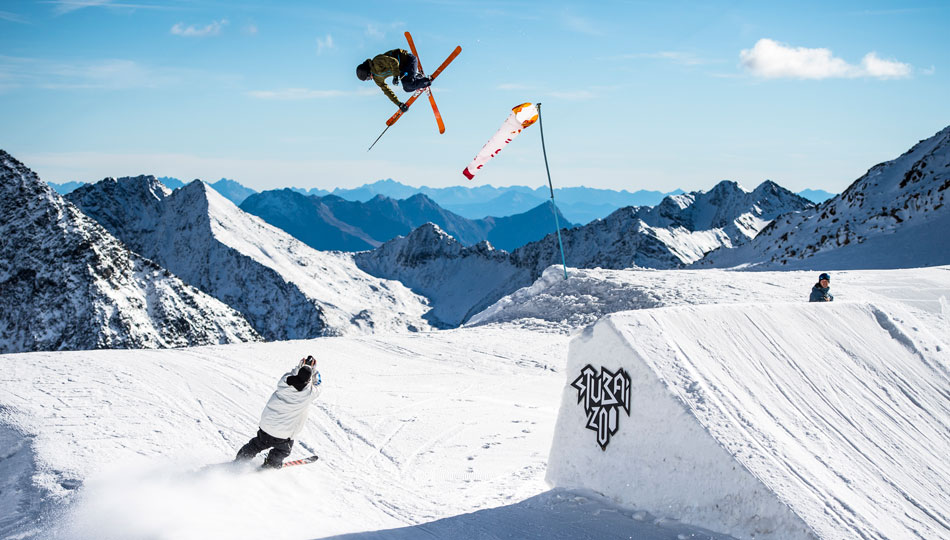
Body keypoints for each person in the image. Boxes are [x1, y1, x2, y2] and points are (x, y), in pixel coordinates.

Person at [235, 356, 322, 468]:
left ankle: (240, 460)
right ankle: (271, 464)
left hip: (266, 426)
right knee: (283, 450)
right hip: (284, 434)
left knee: (256, 444)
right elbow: (319, 383)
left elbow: (293, 373)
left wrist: (301, 366)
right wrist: (314, 370)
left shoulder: (284, 382)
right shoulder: (309, 393)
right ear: (309, 380)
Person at [356, 49, 431, 112]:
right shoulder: (377, 79)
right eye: (368, 80)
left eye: (368, 78)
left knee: (409, 84)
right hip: (402, 70)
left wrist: (395, 76)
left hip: (408, 60)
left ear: (368, 72)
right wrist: (399, 104)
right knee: (407, 89)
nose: (371, 79)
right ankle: (419, 80)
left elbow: (394, 61)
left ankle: (427, 81)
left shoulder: (377, 61)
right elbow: (387, 91)